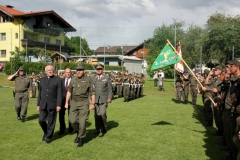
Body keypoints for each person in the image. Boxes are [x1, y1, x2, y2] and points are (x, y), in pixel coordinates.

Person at [65, 64, 96, 147]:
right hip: (74, 103)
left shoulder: (88, 80)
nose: (78, 71)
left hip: (83, 103)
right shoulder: (73, 80)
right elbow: (69, 91)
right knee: (72, 121)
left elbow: (92, 92)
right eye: (77, 70)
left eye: (80, 70)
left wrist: (93, 103)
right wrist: (66, 102)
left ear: (84, 71)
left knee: (82, 123)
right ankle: (79, 132)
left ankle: (81, 138)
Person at [37, 65, 62, 144]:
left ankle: (48, 137)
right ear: (45, 72)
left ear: (53, 70)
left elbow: (59, 93)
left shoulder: (58, 80)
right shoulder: (42, 80)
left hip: (53, 104)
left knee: (51, 122)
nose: (50, 71)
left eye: (51, 70)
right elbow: (39, 93)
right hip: (43, 104)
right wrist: (38, 104)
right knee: (41, 120)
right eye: (48, 70)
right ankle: (46, 132)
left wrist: (58, 105)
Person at [91, 64, 112, 135]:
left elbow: (110, 89)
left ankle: (104, 127)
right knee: (96, 115)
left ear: (102, 70)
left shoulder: (107, 77)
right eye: (97, 69)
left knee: (102, 114)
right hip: (96, 100)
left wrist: (109, 97)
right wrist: (90, 99)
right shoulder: (93, 78)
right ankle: (97, 129)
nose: (98, 70)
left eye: (100, 69)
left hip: (104, 99)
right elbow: (91, 90)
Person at [58, 68, 73, 135]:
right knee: (61, 116)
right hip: (62, 100)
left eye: (69, 72)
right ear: (64, 73)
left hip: (72, 100)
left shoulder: (74, 80)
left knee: (71, 115)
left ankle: (71, 129)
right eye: (66, 72)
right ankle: (62, 129)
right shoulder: (61, 81)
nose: (68, 73)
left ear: (71, 73)